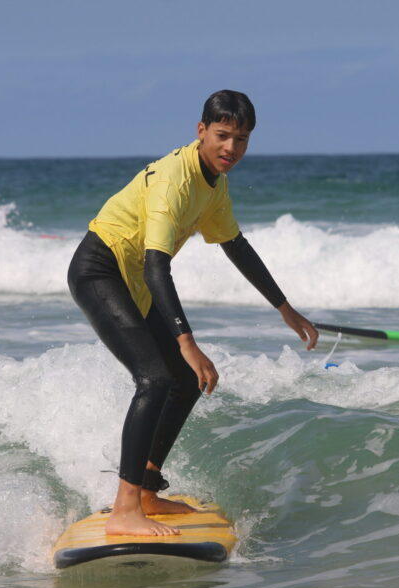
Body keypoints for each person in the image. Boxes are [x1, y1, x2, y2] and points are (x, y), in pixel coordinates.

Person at [66, 90, 319, 537]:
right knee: (156, 378)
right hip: (100, 272)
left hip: (134, 283)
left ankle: (144, 489)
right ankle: (125, 510)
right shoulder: (175, 182)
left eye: (241, 140)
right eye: (222, 136)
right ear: (200, 130)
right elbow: (155, 263)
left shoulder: (213, 185)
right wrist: (186, 341)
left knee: (184, 380)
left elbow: (234, 245)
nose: (231, 149)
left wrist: (284, 308)